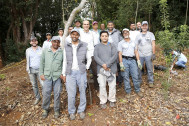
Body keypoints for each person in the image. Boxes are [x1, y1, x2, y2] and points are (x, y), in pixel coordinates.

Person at [62, 29, 91, 120]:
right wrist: (63, 74)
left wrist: (86, 67)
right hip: (70, 73)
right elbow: (65, 61)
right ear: (70, 35)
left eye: (76, 34)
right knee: (71, 93)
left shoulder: (84, 45)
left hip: (81, 72)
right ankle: (71, 111)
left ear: (79, 36)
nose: (74, 36)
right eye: (72, 34)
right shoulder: (66, 46)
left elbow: (89, 58)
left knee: (82, 91)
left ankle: (81, 110)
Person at [39, 36, 64, 119]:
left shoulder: (61, 52)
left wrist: (62, 74)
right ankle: (45, 109)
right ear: (51, 42)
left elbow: (64, 64)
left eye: (57, 42)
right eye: (54, 41)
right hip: (47, 76)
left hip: (57, 76)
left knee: (57, 94)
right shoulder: (46, 51)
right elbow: (42, 63)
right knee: (46, 93)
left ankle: (56, 110)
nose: (56, 43)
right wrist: (41, 73)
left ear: (59, 43)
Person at [94, 31, 118, 109]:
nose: (104, 37)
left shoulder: (112, 45)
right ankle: (103, 101)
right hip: (101, 69)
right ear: (100, 37)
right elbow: (96, 57)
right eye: (103, 36)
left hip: (111, 69)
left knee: (112, 85)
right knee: (102, 85)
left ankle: (112, 99)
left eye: (106, 36)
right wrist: (103, 65)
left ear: (108, 37)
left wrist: (107, 65)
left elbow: (115, 56)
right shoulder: (97, 46)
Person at [118, 28, 143, 98]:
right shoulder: (120, 43)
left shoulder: (134, 42)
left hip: (132, 60)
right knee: (125, 76)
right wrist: (121, 63)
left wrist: (138, 61)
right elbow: (120, 53)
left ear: (129, 33)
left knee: (135, 75)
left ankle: (137, 90)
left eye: (127, 32)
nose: (126, 34)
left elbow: (136, 52)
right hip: (124, 60)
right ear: (123, 34)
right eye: (124, 33)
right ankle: (128, 91)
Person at [80, 20, 99, 93]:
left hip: (92, 54)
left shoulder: (92, 33)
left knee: (95, 72)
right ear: (82, 25)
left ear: (89, 25)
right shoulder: (80, 33)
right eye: (85, 24)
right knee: (83, 72)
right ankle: (85, 88)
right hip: (82, 55)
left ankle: (97, 88)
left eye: (87, 24)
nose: (86, 25)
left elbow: (95, 43)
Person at [135, 21, 156, 88]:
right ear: (141, 27)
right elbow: (136, 46)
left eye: (145, 25)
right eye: (143, 26)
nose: (144, 27)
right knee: (139, 68)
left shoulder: (151, 34)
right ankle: (139, 81)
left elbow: (153, 44)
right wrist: (136, 54)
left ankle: (151, 81)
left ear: (147, 26)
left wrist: (154, 53)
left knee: (149, 68)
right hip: (140, 55)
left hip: (149, 54)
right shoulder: (138, 35)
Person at [26, 36, 43, 105]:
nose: (34, 42)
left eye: (35, 40)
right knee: (34, 85)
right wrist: (28, 69)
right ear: (30, 42)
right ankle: (37, 97)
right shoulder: (28, 50)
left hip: (40, 70)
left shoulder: (41, 49)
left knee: (43, 84)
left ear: (37, 42)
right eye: (32, 41)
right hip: (31, 70)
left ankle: (45, 97)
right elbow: (27, 60)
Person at [107, 21, 123, 87]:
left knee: (118, 67)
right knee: (111, 67)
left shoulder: (118, 32)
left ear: (113, 25)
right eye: (109, 25)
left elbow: (121, 41)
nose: (110, 26)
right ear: (107, 26)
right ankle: (112, 81)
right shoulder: (105, 33)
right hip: (108, 53)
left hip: (117, 52)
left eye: (111, 25)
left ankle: (119, 81)